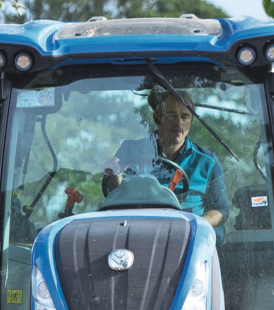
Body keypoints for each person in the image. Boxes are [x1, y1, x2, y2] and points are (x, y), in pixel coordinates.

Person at [66, 87, 228, 224]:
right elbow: (115, 195)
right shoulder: (131, 150)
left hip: (189, 238)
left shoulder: (207, 162)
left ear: (191, 121)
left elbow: (221, 209)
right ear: (157, 117)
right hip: (137, 230)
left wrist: (195, 226)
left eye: (185, 116)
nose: (178, 122)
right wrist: (115, 175)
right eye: (171, 114)